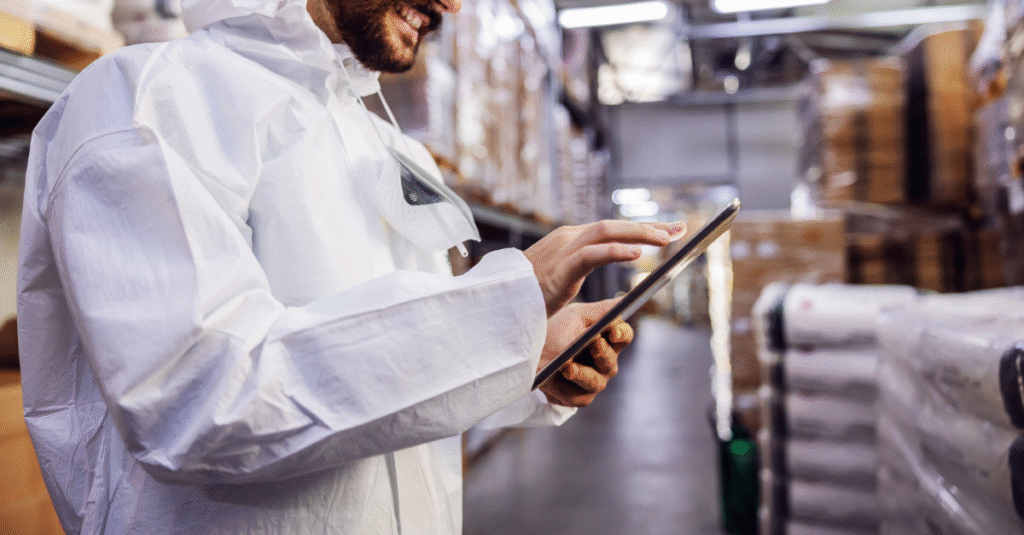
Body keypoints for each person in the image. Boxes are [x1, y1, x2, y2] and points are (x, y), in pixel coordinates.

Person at [16, 0, 684, 532]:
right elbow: (194, 400)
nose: (451, 5)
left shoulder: (385, 145)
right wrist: (509, 300)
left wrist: (526, 359)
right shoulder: (147, 98)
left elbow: (376, 372)